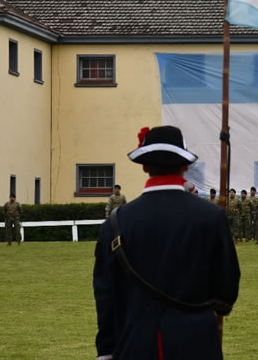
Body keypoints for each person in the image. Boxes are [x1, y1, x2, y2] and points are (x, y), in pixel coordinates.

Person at [93, 125, 240, 359]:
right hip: (197, 343)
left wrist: (106, 351)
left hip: (134, 344)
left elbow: (105, 295)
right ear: (185, 166)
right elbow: (226, 287)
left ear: (144, 166)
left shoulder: (115, 223)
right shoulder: (211, 217)